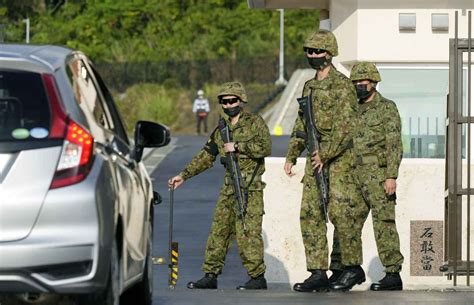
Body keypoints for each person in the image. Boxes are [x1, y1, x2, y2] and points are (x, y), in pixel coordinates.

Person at [284, 29, 369, 292]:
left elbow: (347, 126)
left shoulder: (342, 86)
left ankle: (351, 267)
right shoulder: (309, 86)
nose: (312, 55)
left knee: (342, 215)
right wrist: (292, 155)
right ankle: (318, 271)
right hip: (314, 158)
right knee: (310, 214)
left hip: (340, 160)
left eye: (317, 51)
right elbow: (302, 124)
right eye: (309, 51)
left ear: (330, 54)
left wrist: (326, 153)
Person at [169, 81, 271, 290]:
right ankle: (210, 274)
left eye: (232, 101)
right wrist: (184, 175)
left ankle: (257, 277)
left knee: (248, 232)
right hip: (229, 188)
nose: (228, 105)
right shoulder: (220, 129)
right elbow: (207, 155)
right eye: (224, 102)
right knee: (219, 231)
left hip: (250, 188)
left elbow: (265, 147)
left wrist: (238, 146)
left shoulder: (254, 122)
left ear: (241, 101)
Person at [349, 62, 404, 291]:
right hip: (352, 174)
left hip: (378, 174)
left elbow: (394, 144)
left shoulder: (386, 108)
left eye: (362, 83)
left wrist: (391, 175)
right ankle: (350, 270)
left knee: (384, 223)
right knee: (348, 222)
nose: (359, 87)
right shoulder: (351, 108)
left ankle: (392, 273)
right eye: (355, 83)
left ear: (373, 82)